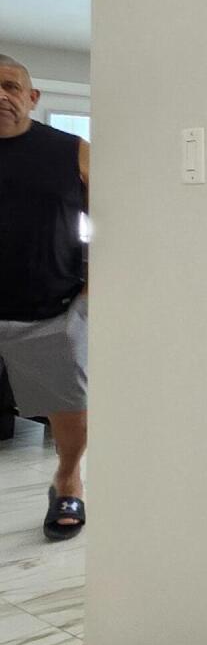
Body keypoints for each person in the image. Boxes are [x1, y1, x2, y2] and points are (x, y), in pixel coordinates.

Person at [0, 55, 89, 539]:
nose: (1, 95)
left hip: (48, 311)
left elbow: (118, 218)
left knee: (68, 408)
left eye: (10, 86)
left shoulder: (72, 151)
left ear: (32, 97)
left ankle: (67, 479)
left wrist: (93, 289)